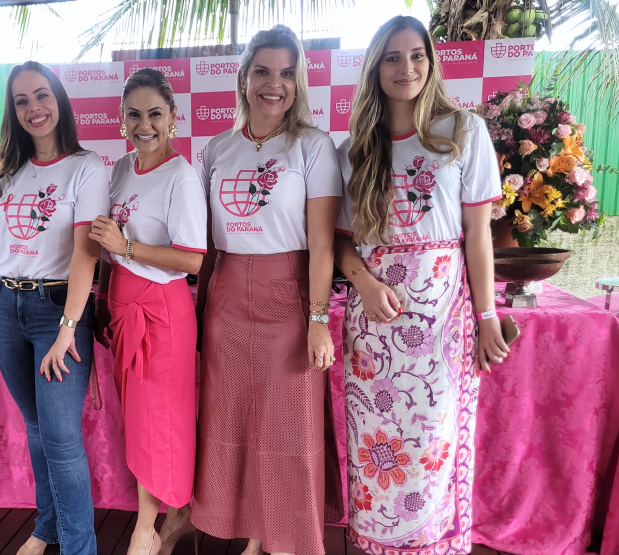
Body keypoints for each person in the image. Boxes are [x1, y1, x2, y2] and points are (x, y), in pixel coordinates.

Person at [333, 16, 510, 555]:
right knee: (374, 450)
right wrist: (362, 283)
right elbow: (339, 243)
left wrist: (486, 318)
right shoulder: (353, 150)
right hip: (373, 330)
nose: (405, 68)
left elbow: (478, 236)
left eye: (416, 56)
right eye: (391, 57)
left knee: (433, 442)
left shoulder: (464, 131)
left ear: (431, 62)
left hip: (440, 323)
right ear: (375, 68)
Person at [191, 24, 344, 555]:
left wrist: (318, 318)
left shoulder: (314, 146)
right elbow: (205, 246)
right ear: (243, 78)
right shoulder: (216, 150)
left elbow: (323, 246)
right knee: (230, 425)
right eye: (262, 71)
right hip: (227, 300)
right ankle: (254, 532)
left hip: (290, 302)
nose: (272, 84)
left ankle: (286, 538)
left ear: (298, 82)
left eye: (285, 73)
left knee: (287, 432)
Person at [0, 61, 109, 555]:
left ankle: (78, 547)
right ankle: (46, 526)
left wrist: (69, 329)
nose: (34, 108)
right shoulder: (5, 175)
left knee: (61, 437)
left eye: (42, 95)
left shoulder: (87, 167)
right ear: (13, 110)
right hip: (7, 309)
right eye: (22, 101)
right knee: (35, 428)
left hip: (57, 311)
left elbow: (85, 254)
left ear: (60, 101)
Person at [90, 68, 207, 555]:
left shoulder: (181, 175)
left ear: (172, 119)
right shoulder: (118, 169)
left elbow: (192, 259)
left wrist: (129, 247)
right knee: (137, 417)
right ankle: (173, 514)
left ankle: (147, 525)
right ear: (121, 120)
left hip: (162, 311)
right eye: (134, 114)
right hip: (121, 305)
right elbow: (102, 246)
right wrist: (100, 297)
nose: (145, 124)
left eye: (155, 114)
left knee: (163, 419)